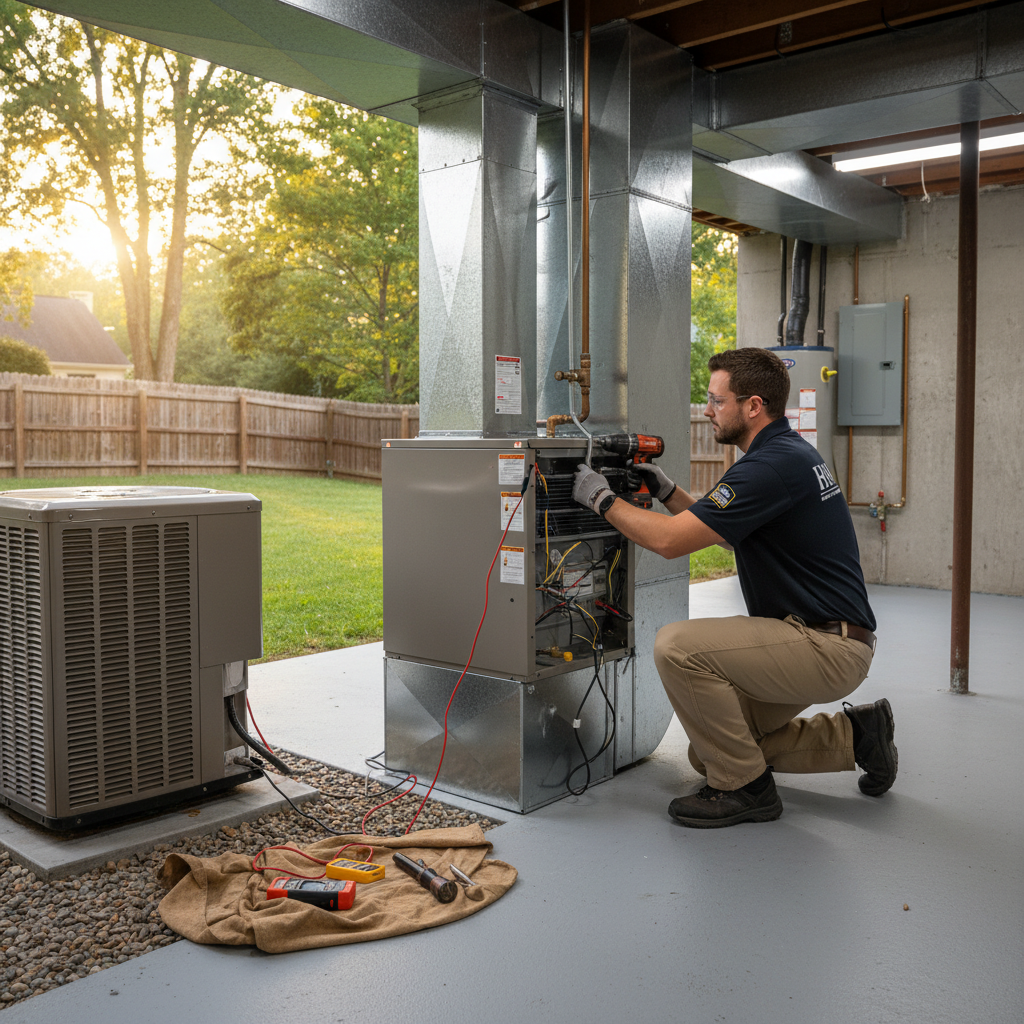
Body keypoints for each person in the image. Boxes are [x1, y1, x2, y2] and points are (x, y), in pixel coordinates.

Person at [572, 347, 897, 828]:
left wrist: (600, 499)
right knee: (715, 749)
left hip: (825, 645)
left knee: (676, 646)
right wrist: (667, 492)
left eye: (715, 400)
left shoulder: (768, 466)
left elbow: (667, 542)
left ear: (753, 406)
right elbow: (725, 532)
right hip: (829, 637)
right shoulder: (786, 454)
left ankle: (748, 790)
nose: (707, 409)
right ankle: (858, 735)